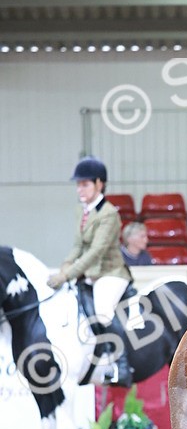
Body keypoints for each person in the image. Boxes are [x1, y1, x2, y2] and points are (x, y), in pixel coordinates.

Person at [46, 156, 132, 385]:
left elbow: (96, 251)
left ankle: (121, 366)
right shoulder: (81, 211)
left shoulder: (109, 214)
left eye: (84, 184)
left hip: (110, 273)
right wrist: (64, 265)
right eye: (78, 185)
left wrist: (67, 275)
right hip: (90, 274)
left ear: (99, 184)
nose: (79, 189)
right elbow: (78, 246)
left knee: (103, 310)